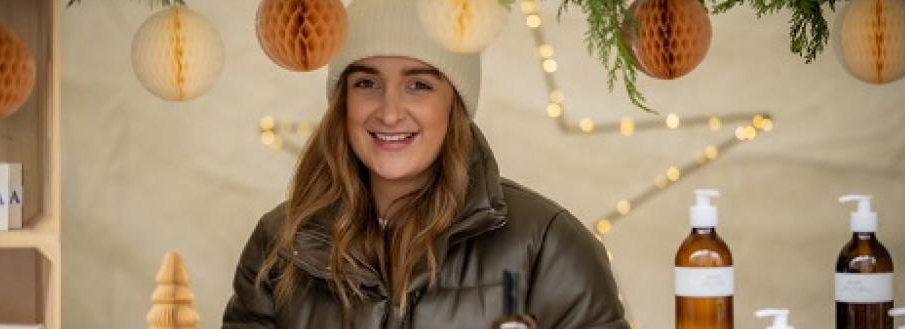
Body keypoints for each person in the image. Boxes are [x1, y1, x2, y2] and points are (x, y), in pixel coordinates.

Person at [222, 0, 629, 327]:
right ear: (342, 102)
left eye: (419, 85)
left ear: (454, 103)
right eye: (366, 83)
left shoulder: (546, 245)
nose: (390, 111)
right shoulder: (280, 244)